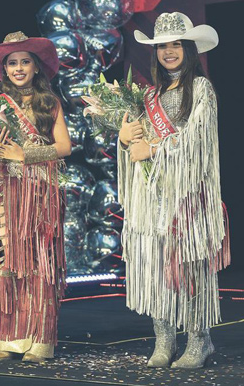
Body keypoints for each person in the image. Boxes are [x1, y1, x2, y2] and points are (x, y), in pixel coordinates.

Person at [119, 12, 230, 369]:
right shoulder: (149, 94)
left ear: (188, 48)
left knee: (191, 268)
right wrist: (124, 139)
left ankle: (199, 340)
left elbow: (196, 140)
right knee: (155, 267)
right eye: (162, 45)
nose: (168, 51)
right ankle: (164, 340)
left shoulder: (201, 88)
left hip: (187, 197)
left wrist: (153, 149)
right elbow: (136, 140)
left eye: (175, 44)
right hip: (153, 197)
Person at [0, 31, 70, 362]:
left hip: (42, 191)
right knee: (8, 261)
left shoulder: (50, 103)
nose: (19, 69)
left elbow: (64, 147)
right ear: (5, 70)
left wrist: (26, 155)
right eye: (13, 63)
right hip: (8, 191)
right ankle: (9, 338)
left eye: (25, 62)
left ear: (36, 67)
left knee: (39, 263)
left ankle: (40, 340)